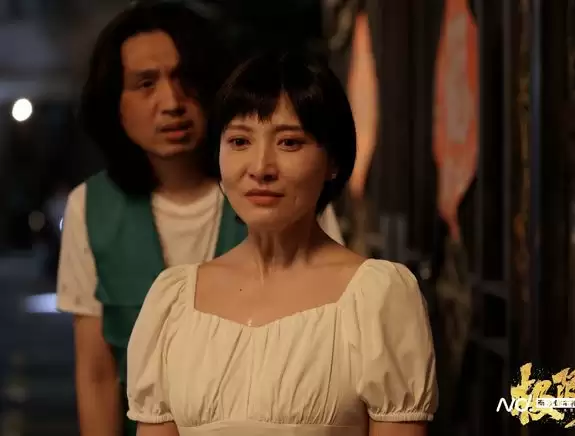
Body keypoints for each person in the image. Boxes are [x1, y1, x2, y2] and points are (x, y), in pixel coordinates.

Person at [56, 3, 344, 436]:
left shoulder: (278, 190)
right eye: (146, 84)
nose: (172, 103)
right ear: (115, 103)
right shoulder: (91, 207)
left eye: (186, 78)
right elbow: (97, 371)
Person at [126, 51, 437, 436]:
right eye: (239, 141)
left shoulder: (377, 297)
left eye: (289, 142)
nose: (260, 168)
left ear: (333, 161)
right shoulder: (173, 302)